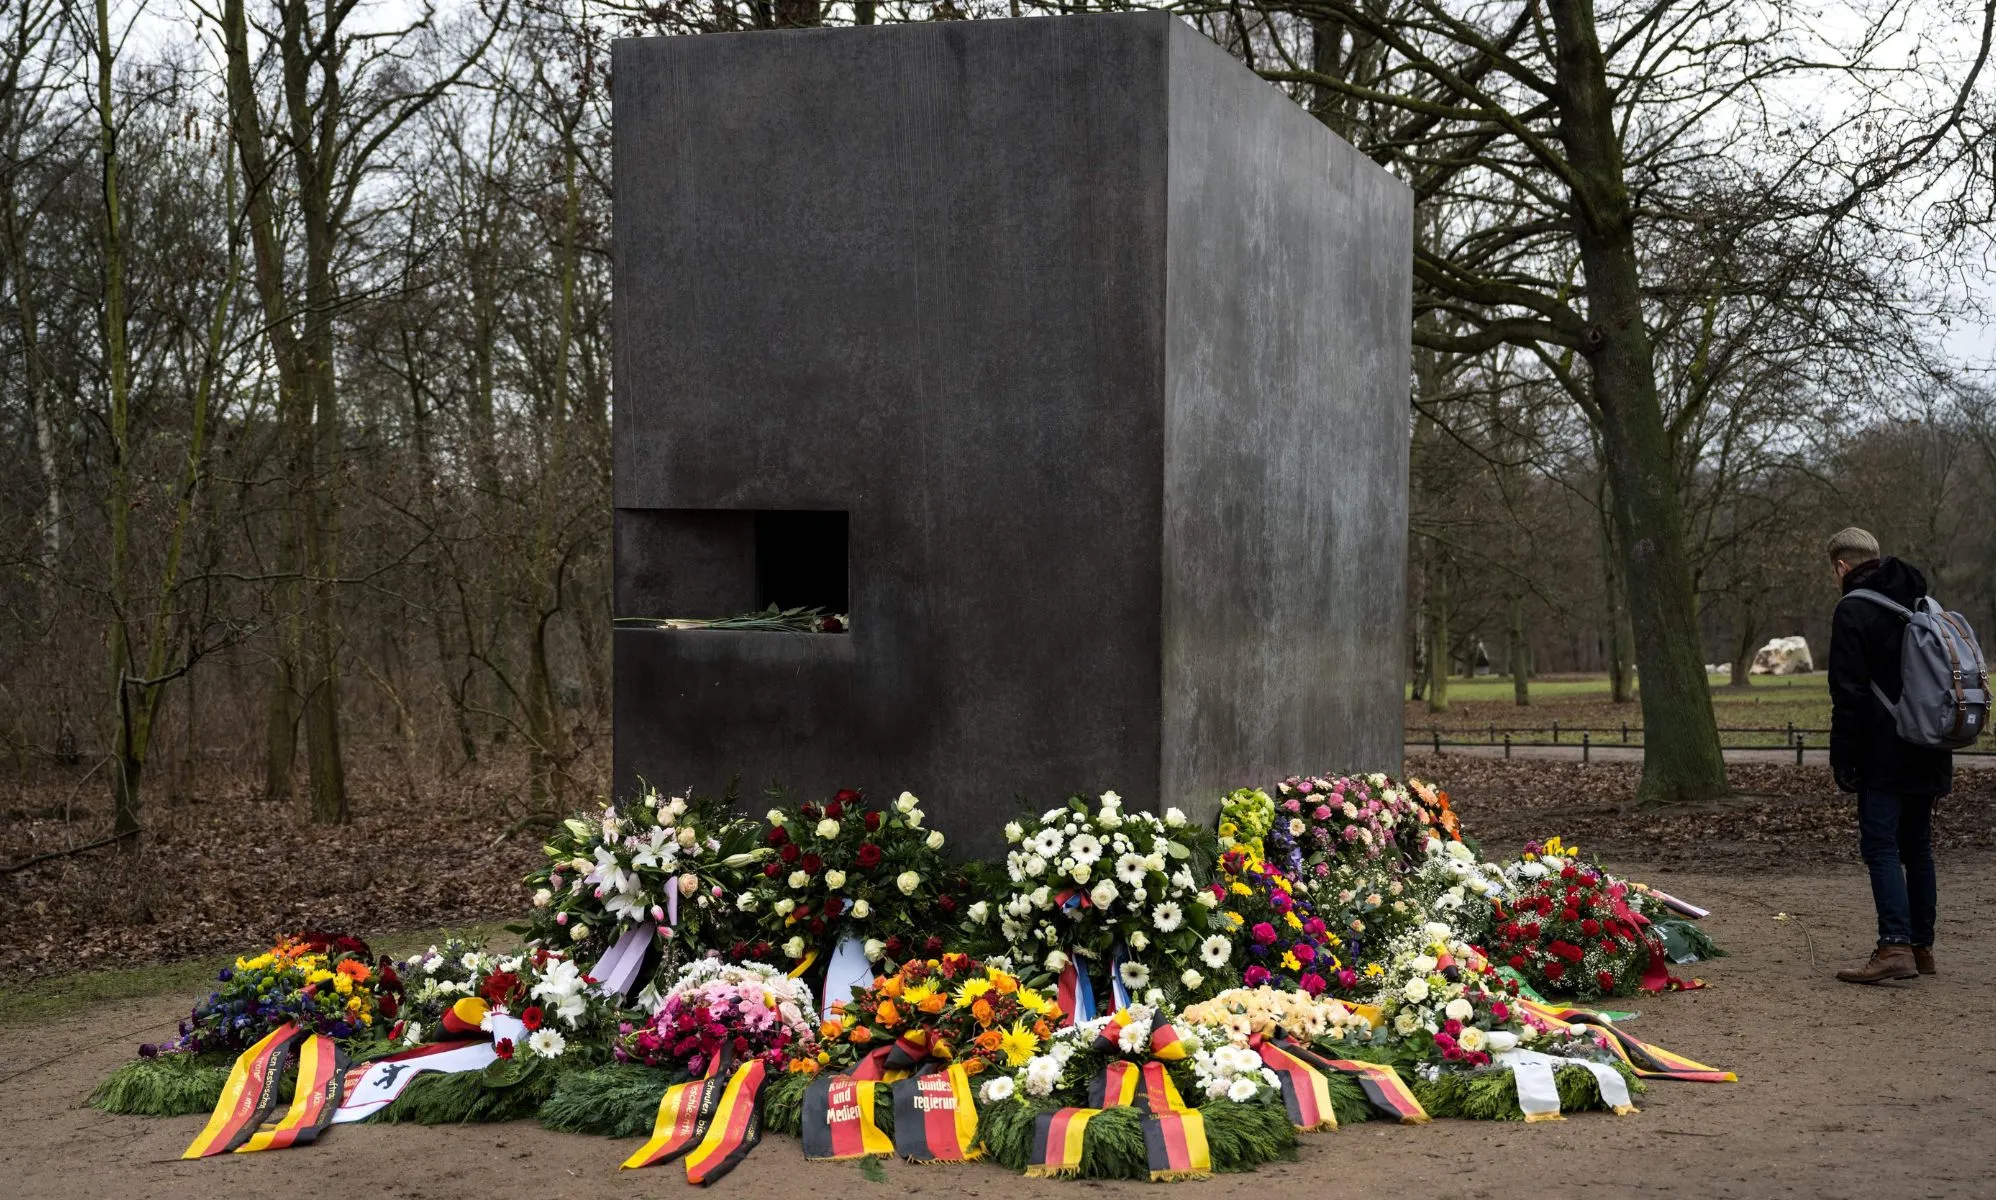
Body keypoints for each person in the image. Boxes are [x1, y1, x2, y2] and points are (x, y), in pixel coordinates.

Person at [1825, 527, 1951, 984]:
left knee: (1881, 847)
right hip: (1930, 743)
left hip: (1883, 749)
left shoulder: (1853, 609)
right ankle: (1921, 948)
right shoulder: (1919, 602)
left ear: (1842, 567)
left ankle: (1893, 945)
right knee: (1917, 847)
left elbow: (1848, 692)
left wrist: (1843, 757)